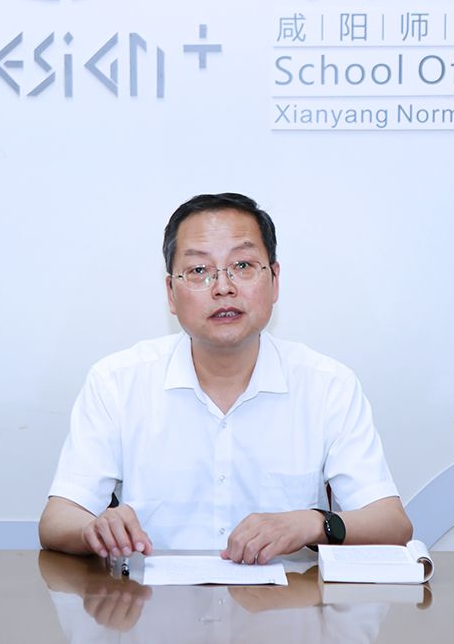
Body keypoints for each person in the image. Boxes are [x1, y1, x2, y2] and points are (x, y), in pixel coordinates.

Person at [39, 193, 412, 564]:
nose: (223, 287)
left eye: (243, 265)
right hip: (152, 599)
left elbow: (392, 524)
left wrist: (314, 523)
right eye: (199, 271)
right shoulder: (117, 382)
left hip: (288, 600)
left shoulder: (328, 385)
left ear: (275, 280)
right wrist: (94, 529)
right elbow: (57, 520)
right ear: (171, 293)